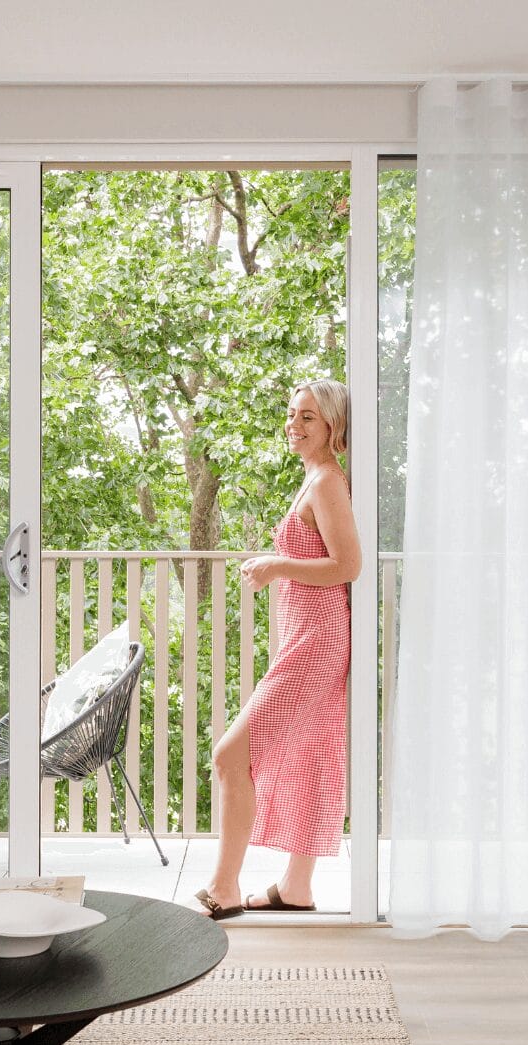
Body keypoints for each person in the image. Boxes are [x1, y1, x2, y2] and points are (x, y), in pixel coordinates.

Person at [195, 378, 358, 919]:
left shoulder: (328, 481)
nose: (295, 425)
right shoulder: (314, 478)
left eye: (308, 417)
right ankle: (296, 888)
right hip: (304, 636)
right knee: (312, 754)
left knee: (230, 753)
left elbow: (347, 566)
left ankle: (223, 888)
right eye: (292, 415)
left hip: (318, 639)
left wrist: (276, 564)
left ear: (332, 424)